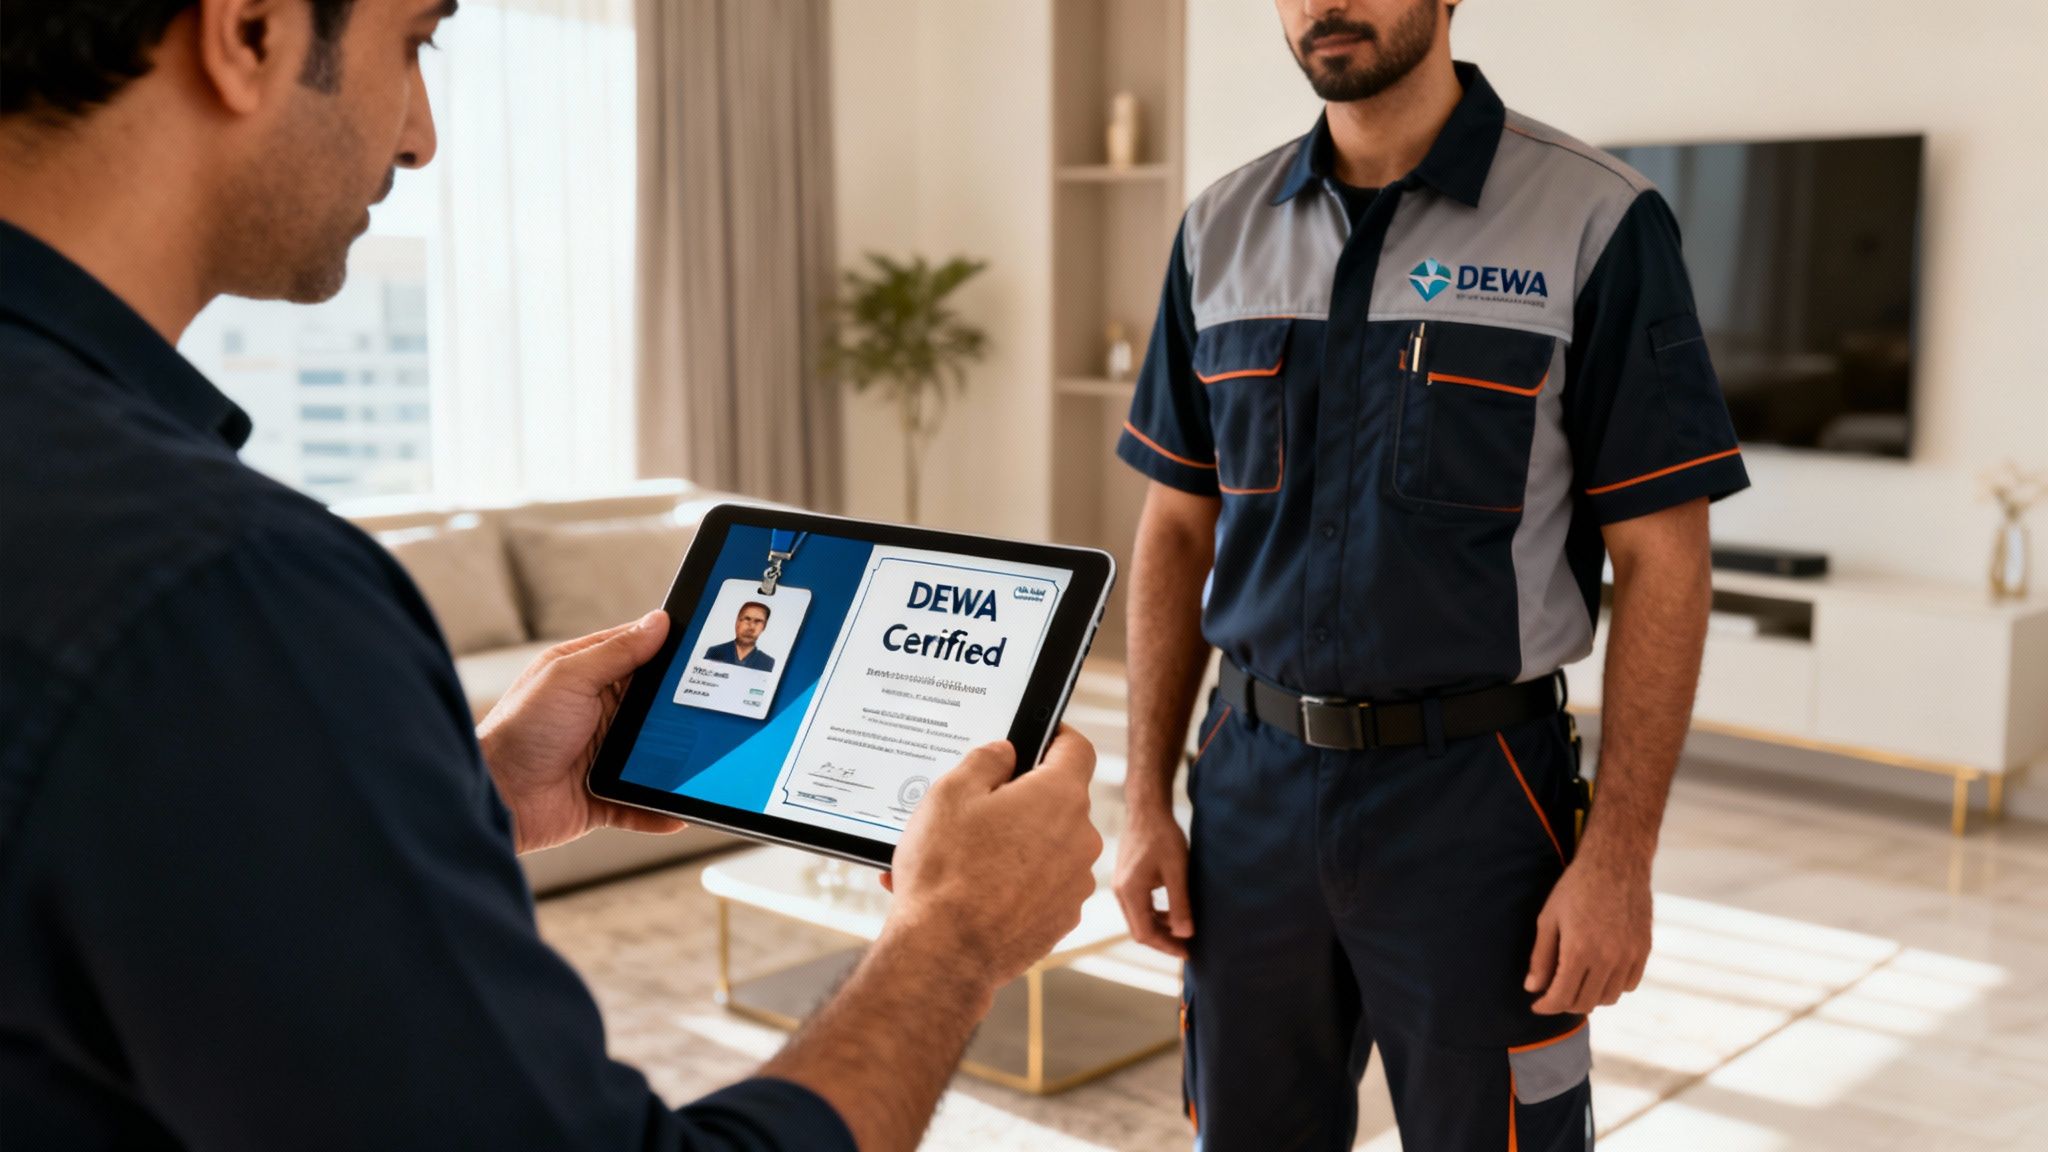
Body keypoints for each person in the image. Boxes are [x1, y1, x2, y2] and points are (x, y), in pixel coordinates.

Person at [0, 3, 1102, 1150]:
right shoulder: (226, 590)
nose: (422, 135)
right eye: (413, 44)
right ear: (252, 31)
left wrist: (466, 795)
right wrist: (955, 935)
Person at [1109, 1, 1749, 1148]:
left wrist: (1617, 859)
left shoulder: (1596, 219)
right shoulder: (1218, 229)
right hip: (1247, 797)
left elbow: (1664, 561)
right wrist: (1143, 799)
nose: (1322, 3)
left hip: (1476, 807)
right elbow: (1173, 532)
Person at [703, 601, 776, 671]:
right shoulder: (715, 652)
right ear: (737, 622)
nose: (751, 627)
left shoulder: (767, 663)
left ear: (764, 626)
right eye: (747, 619)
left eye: (758, 621)